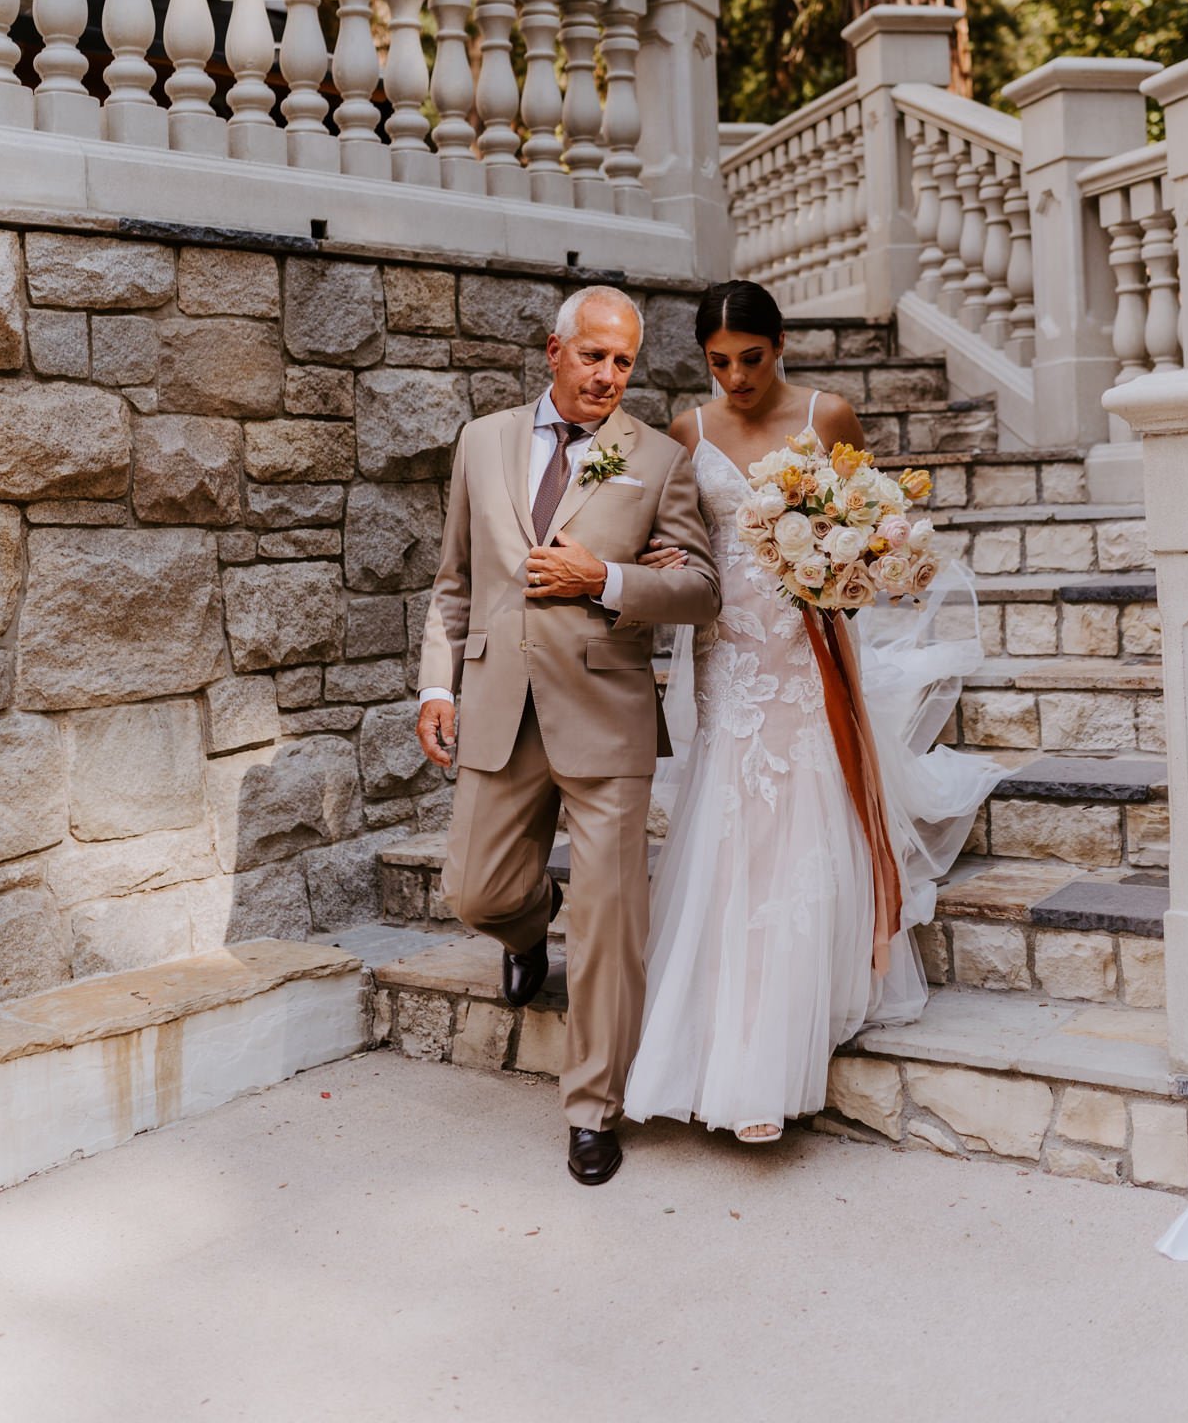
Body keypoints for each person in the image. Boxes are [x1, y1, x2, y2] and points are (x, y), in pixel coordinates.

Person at [623, 279, 998, 1143]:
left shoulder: (827, 413)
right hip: (728, 659)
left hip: (806, 649)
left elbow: (874, 527)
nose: (735, 379)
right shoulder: (689, 429)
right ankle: (716, 1032)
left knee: (798, 817)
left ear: (779, 343)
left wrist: (844, 578)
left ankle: (786, 1034)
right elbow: (682, 541)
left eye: (749, 359)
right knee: (730, 819)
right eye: (718, 364)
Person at [416, 284, 720, 1187]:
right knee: (473, 892)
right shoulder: (482, 442)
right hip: (499, 709)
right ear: (553, 353)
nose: (608, 375)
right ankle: (523, 933)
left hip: (606, 715)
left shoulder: (658, 459)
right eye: (593, 356)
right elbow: (454, 580)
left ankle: (592, 1108)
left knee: (610, 922)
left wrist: (607, 579)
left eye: (623, 360)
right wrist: (438, 683)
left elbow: (702, 588)